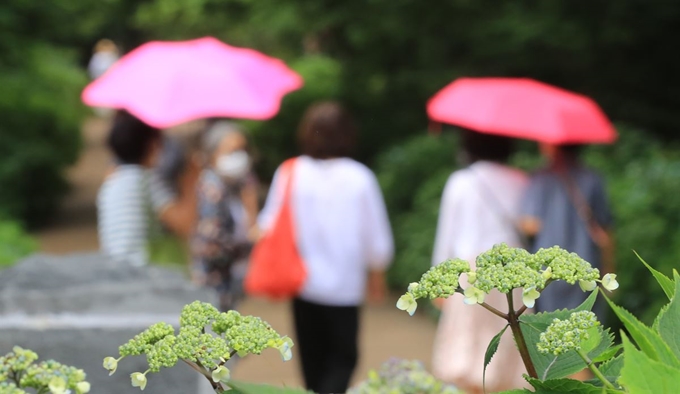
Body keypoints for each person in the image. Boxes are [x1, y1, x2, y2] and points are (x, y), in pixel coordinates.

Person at [257, 101, 394, 394]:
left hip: (303, 282)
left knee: (311, 362)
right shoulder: (359, 177)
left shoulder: (290, 171)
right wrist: (377, 273)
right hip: (345, 286)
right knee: (343, 359)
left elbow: (267, 225)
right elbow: (377, 236)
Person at [430, 130, 529, 394]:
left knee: (469, 353)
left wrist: (440, 282)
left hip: (471, 271)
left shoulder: (461, 181)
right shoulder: (521, 179)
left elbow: (447, 236)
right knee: (510, 349)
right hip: (514, 272)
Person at [519, 144, 615, 319]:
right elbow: (605, 229)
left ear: (552, 146)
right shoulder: (592, 178)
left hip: (548, 266)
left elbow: (531, 225)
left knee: (549, 326)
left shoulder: (539, 179)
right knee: (587, 326)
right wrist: (608, 269)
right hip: (586, 263)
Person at [97, 111, 197, 267]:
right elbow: (185, 225)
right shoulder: (147, 181)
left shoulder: (110, 183)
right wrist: (190, 183)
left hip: (116, 273)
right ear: (152, 145)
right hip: (146, 275)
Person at [191, 120, 259, 312]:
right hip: (214, 286)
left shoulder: (236, 186)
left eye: (242, 150)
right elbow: (211, 244)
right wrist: (249, 243)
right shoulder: (212, 188)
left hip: (230, 284)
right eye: (232, 151)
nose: (239, 156)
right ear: (213, 154)